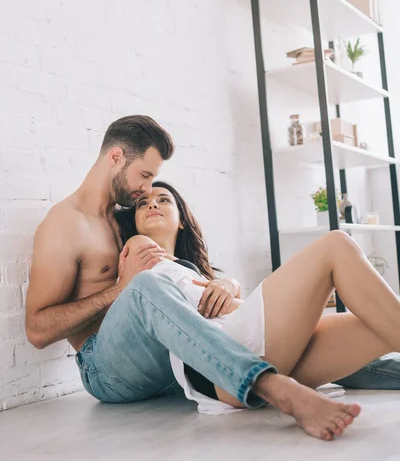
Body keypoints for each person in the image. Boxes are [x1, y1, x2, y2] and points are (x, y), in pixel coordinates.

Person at [23, 115, 394, 443]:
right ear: (115, 157)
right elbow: (38, 331)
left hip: (174, 356)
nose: (148, 189)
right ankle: (273, 387)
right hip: (108, 366)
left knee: (359, 327)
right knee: (145, 288)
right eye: (145, 176)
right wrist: (120, 290)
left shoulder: (124, 220)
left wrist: (227, 283)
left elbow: (180, 276)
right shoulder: (66, 224)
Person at [116, 181, 400, 425]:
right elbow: (206, 310)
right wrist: (298, 312)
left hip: (241, 375)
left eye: (163, 200)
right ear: (135, 222)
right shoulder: (140, 249)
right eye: (143, 204)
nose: (152, 204)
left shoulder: (192, 271)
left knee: (376, 325)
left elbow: (223, 309)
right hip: (220, 365)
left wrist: (230, 286)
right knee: (336, 245)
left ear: (181, 220)